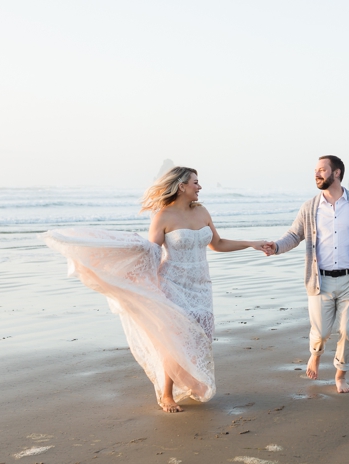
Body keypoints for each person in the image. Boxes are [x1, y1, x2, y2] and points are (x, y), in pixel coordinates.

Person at [42, 167, 271, 412]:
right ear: (182, 186)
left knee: (201, 334)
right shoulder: (162, 216)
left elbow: (218, 244)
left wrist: (251, 243)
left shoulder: (202, 211)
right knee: (177, 338)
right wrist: (120, 256)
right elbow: (151, 252)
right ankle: (167, 395)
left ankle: (190, 379)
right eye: (196, 182)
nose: (200, 187)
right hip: (172, 283)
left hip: (201, 285)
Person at [261, 155, 349, 393]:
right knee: (321, 332)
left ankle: (341, 375)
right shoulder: (310, 207)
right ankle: (315, 354)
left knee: (348, 331)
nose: (317, 174)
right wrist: (277, 247)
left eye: (322, 170)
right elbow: (294, 235)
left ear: (337, 173)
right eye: (315, 171)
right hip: (319, 280)